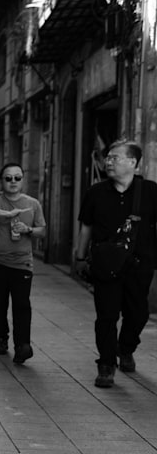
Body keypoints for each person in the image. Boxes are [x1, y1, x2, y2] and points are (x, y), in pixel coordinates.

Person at [74, 139, 157, 388]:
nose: (108, 162)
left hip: (140, 264)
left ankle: (126, 347)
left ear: (132, 162)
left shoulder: (151, 191)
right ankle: (107, 365)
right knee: (106, 316)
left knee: (138, 314)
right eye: (107, 158)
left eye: (115, 158)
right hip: (105, 264)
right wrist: (79, 257)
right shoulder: (96, 192)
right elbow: (86, 226)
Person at [0, 163, 47, 364]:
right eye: (8, 178)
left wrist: (28, 230)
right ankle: (1, 338)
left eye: (17, 178)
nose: (13, 182)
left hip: (22, 263)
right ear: (2, 180)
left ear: (23, 180)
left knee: (22, 305)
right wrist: (7, 215)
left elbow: (42, 229)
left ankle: (22, 345)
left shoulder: (32, 204)